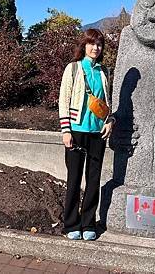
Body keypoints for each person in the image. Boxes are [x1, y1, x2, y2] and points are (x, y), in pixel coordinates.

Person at [58, 28, 115, 241]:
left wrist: (110, 121)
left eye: (99, 44)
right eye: (92, 43)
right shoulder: (73, 69)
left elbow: (106, 103)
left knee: (93, 179)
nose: (95, 48)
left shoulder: (103, 72)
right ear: (84, 45)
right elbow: (63, 101)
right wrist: (66, 130)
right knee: (74, 179)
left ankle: (88, 222)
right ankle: (71, 223)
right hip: (76, 131)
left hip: (97, 133)